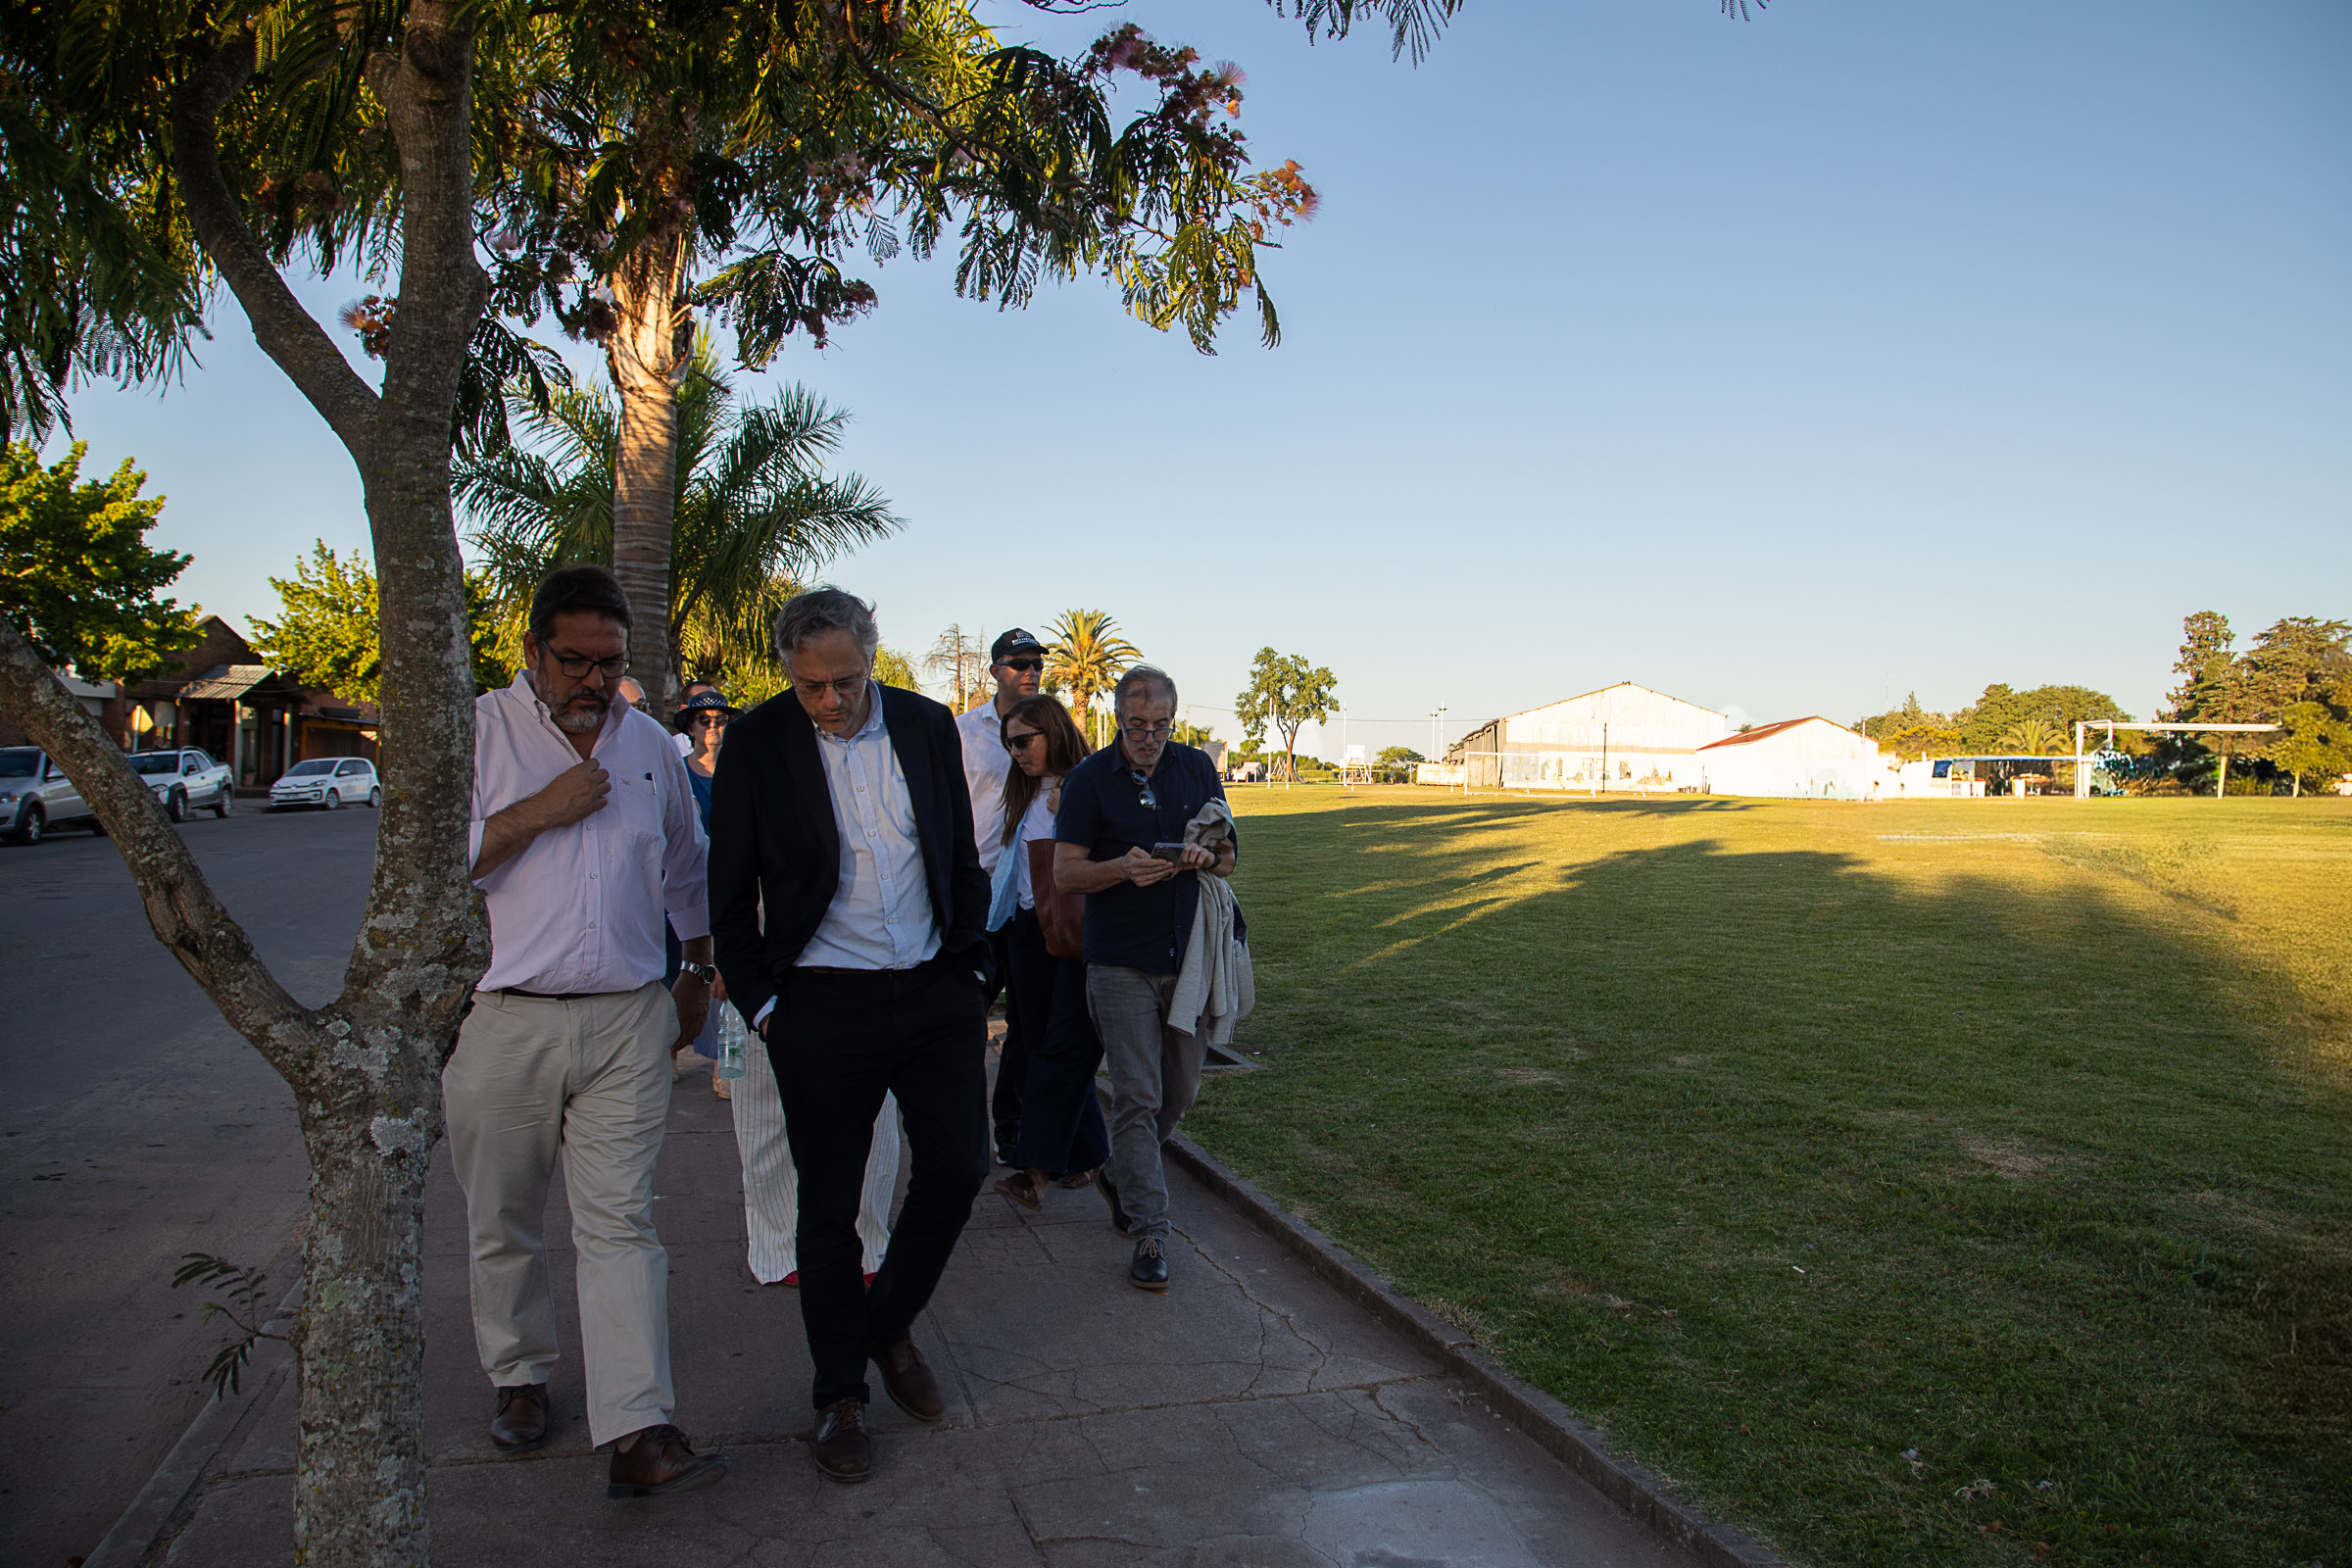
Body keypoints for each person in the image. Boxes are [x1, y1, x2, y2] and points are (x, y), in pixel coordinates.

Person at [444, 564, 726, 1498]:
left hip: (624, 1022)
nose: (593, 683)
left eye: (610, 664)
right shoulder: (478, 731)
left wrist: (696, 970)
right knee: (504, 1217)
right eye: (574, 662)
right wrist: (537, 813)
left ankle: (639, 1427)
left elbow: (688, 870)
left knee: (621, 1223)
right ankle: (520, 1376)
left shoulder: (649, 746)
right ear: (532, 653)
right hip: (506, 1019)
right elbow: (435, 865)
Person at [707, 587, 992, 1484]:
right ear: (788, 675)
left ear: (873, 654)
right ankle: (839, 1398)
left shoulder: (923, 723)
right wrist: (764, 1006)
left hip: (935, 991)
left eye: (846, 681)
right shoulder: (755, 743)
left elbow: (955, 854)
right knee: (826, 1213)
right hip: (820, 1005)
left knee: (957, 1170)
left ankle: (889, 1324)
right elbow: (728, 893)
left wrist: (974, 968)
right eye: (810, 686)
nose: (830, 701)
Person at [1054, 664, 1235, 1293]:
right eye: (1137, 726)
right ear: (1117, 719)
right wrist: (1120, 869)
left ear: (1175, 720)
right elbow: (1066, 875)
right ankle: (1151, 1230)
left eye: (1161, 726)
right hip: (1118, 962)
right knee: (1138, 1095)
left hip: (1186, 960)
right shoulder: (1087, 781)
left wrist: (1201, 857)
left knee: (1179, 1091)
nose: (1149, 737)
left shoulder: (1197, 769)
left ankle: (1121, 1173)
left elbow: (1230, 854)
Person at [988, 694, 1111, 1212]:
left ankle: (1035, 1169)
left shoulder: (1088, 784)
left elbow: (1108, 857)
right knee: (1039, 1043)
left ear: (1054, 732)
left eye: (1023, 740)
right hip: (1025, 931)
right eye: (1008, 742)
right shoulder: (1020, 791)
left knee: (1062, 1047)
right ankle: (1092, 1156)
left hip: (1076, 935)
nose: (1015, 751)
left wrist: (1072, 813)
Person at [955, 628, 1046, 1163]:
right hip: (978, 895)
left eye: (1036, 663)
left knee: (1029, 1022)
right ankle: (959, 1126)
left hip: (1032, 899)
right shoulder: (964, 733)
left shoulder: (1053, 729)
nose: (1030, 671)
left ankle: (1011, 1124)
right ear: (995, 671)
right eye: (1017, 663)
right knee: (965, 1015)